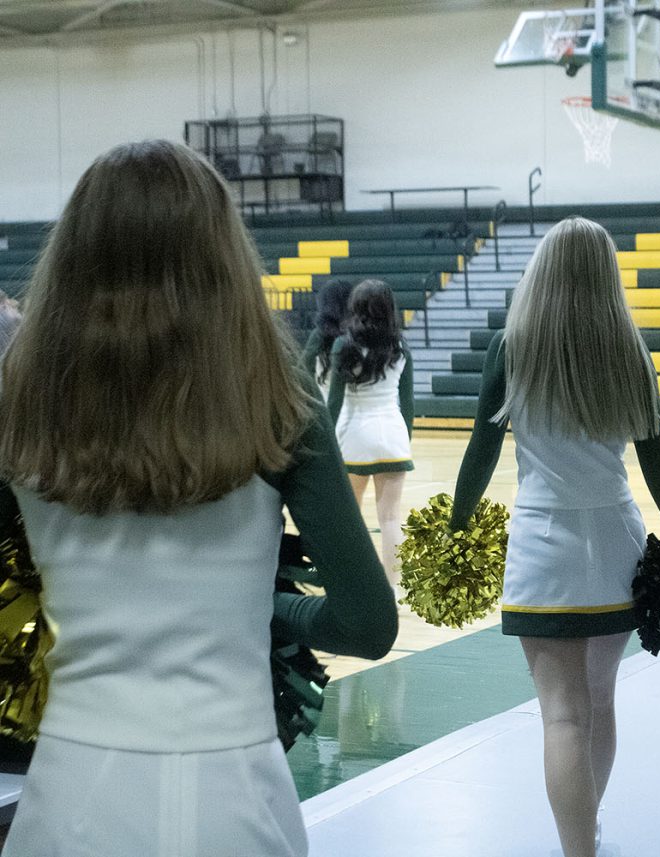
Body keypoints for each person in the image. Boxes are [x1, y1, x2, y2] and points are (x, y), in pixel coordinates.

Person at [0, 140, 397, 856]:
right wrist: (261, 606)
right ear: (222, 259)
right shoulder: (280, 399)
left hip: (66, 799)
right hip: (235, 797)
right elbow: (368, 622)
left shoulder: (19, 398)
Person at [449, 216, 660, 857]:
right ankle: (587, 828)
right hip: (616, 541)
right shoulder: (628, 348)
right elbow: (656, 459)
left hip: (543, 545)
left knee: (561, 714)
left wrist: (456, 523)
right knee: (600, 702)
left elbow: (482, 447)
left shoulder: (513, 346)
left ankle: (577, 846)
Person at [326, 278, 415, 580]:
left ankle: (352, 582)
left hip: (354, 436)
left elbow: (334, 403)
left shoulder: (344, 344)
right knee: (390, 519)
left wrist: (325, 444)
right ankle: (392, 588)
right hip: (393, 434)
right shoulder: (401, 346)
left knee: (349, 518)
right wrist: (406, 441)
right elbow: (409, 403)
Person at [301, 278, 356, 400]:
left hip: (328, 404)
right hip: (362, 404)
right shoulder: (362, 331)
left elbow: (303, 371)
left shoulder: (320, 334)